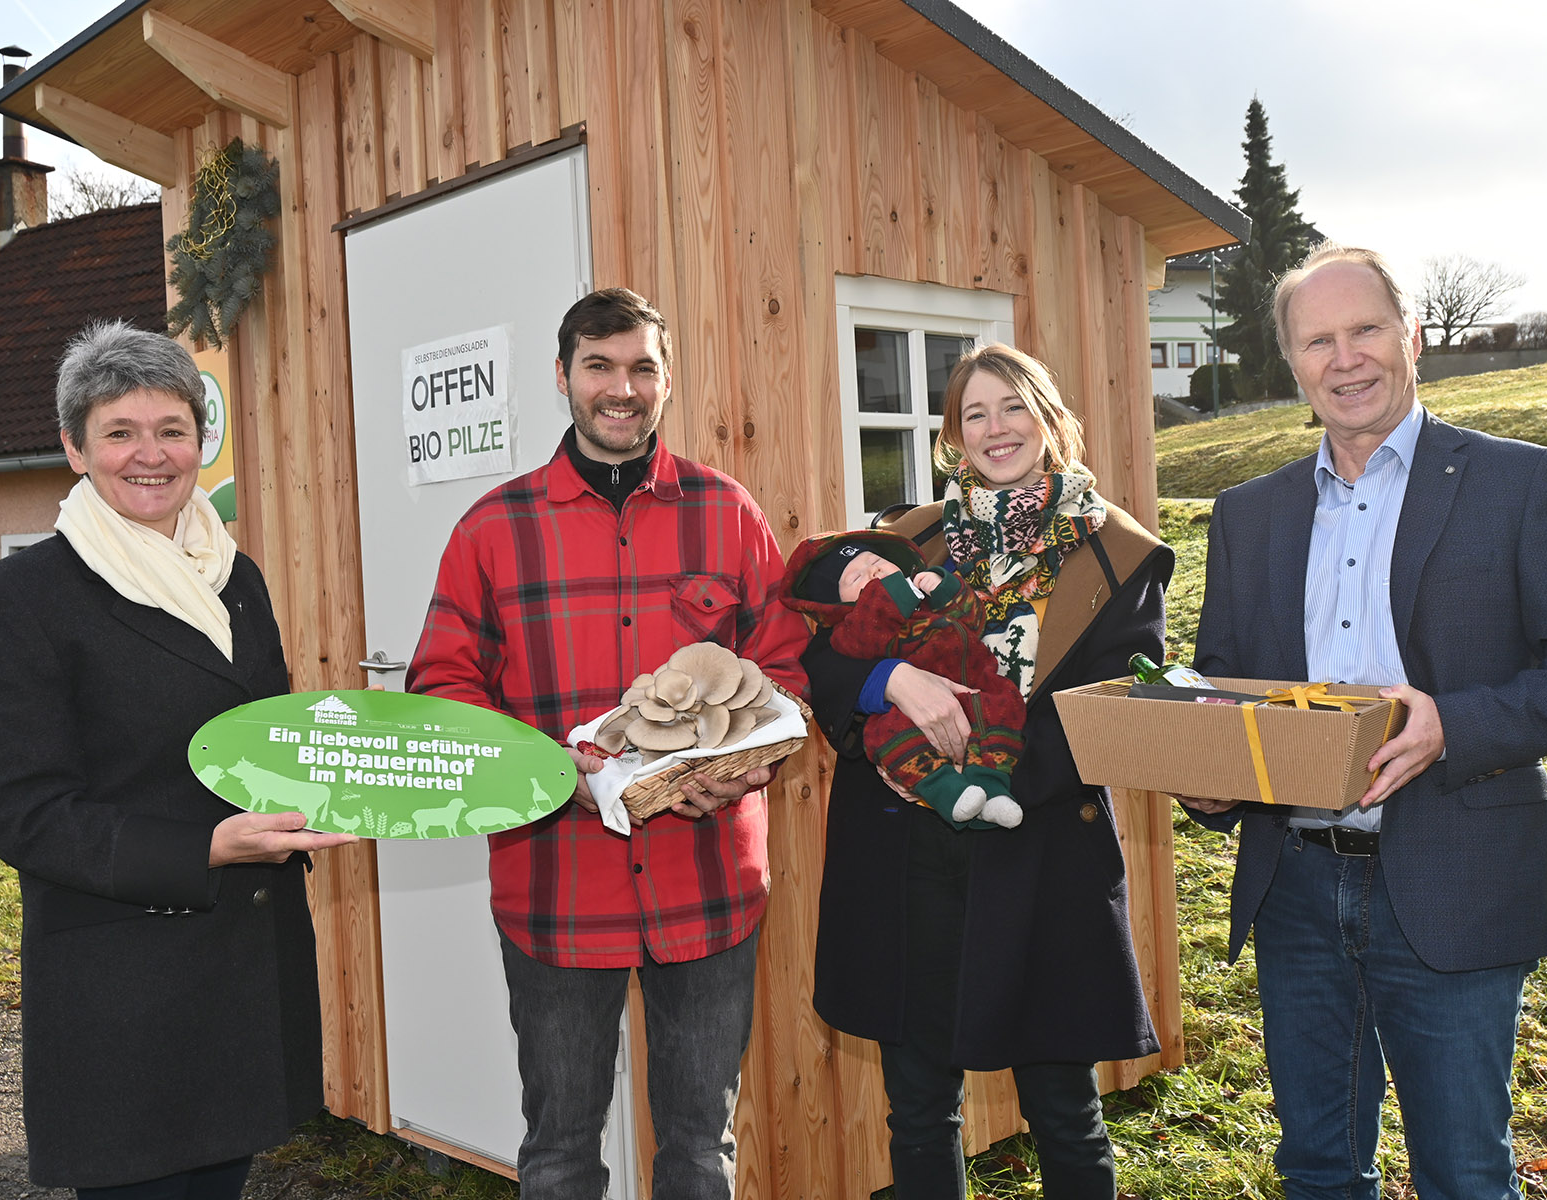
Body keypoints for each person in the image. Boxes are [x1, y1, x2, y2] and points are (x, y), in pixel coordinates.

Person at [1182, 244, 1547, 1200]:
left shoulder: (1515, 483)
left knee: (1466, 1175)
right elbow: (1226, 694)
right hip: (1297, 891)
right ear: (1293, 361)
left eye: (1367, 330)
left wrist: (1455, 725)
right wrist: (1211, 779)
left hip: (1454, 878)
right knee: (1316, 1171)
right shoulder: (1248, 514)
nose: (1345, 358)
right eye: (1319, 340)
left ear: (1414, 338)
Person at [405, 287, 809, 1198]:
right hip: (556, 883)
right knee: (557, 1151)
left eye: (641, 368)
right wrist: (556, 773)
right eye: (599, 366)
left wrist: (732, 770)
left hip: (706, 878)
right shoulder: (492, 529)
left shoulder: (727, 512)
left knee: (701, 1152)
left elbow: (785, 673)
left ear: (665, 382)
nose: (620, 388)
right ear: (563, 377)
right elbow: (443, 688)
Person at [0, 320, 356, 1199]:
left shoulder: (234, 578)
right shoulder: (20, 599)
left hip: (242, 970)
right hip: (123, 989)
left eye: (172, 430)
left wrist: (357, 775)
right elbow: (26, 813)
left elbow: (266, 743)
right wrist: (206, 848)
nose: (151, 455)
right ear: (74, 448)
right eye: (120, 432)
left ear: (200, 442)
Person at [803, 343, 1172, 1198]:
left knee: (1064, 1112)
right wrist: (884, 684)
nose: (995, 429)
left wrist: (977, 763)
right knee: (920, 1108)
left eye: (1013, 408)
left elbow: (1110, 712)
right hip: (908, 856)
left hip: (1036, 849)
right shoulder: (908, 539)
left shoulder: (1118, 554)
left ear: (1049, 421)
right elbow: (822, 662)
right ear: (952, 436)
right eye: (975, 414)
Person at [780, 530, 1026, 828]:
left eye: (875, 560)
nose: (872, 570)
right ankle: (948, 792)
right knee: (891, 736)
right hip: (907, 728)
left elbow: (973, 620)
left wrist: (947, 589)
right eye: (856, 578)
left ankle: (994, 791)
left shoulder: (927, 605)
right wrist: (887, 604)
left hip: (977, 690)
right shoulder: (861, 625)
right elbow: (849, 648)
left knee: (1004, 708)